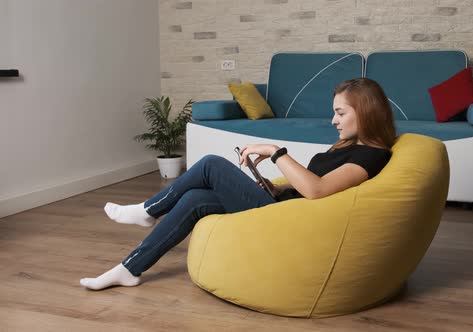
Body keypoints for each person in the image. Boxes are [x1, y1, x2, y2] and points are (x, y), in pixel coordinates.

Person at [80, 78, 397, 290]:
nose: (333, 120)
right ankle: (131, 268)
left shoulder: (373, 155)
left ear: (366, 111)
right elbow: (311, 187)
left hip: (289, 223)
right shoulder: (348, 147)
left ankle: (148, 210)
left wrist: (274, 152)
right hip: (284, 206)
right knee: (195, 199)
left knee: (210, 165)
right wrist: (275, 188)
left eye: (340, 112)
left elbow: (317, 191)